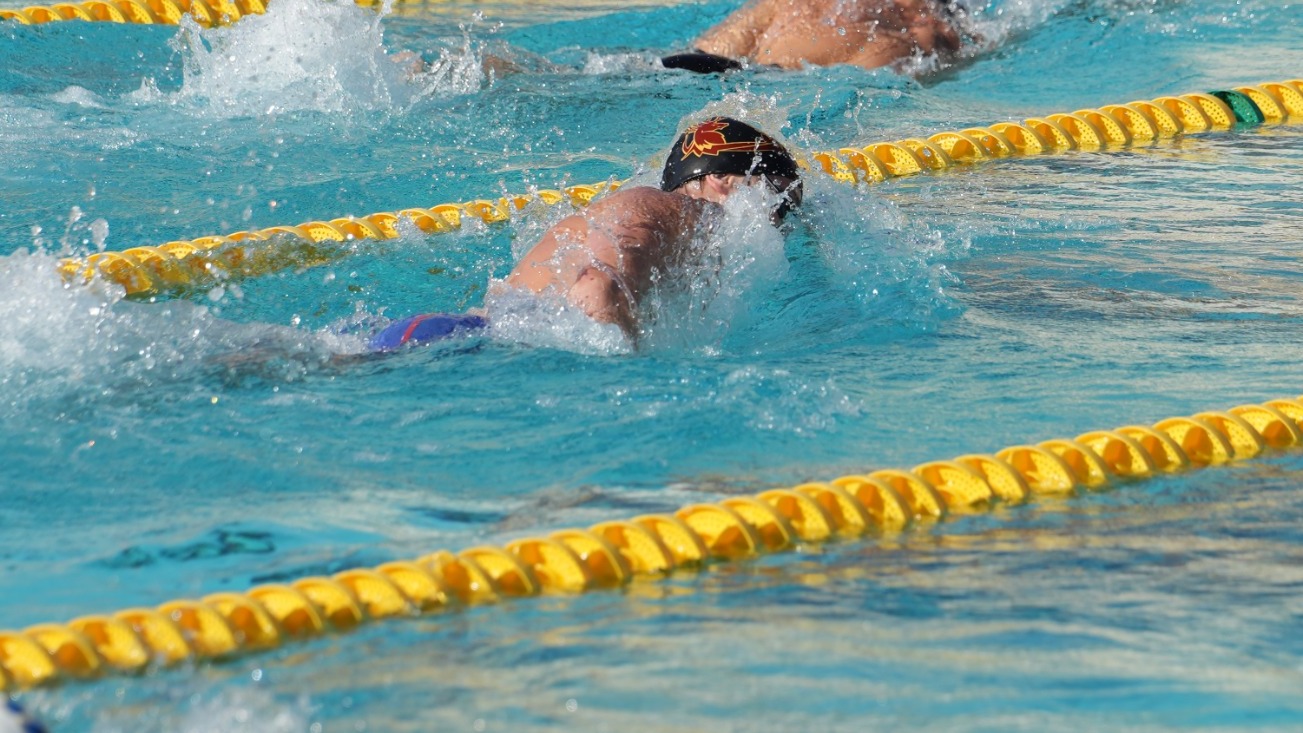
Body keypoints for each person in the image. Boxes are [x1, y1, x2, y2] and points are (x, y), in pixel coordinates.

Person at [368, 117, 802, 350]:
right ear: (722, 181)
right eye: (774, 195)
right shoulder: (683, 212)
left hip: (455, 337)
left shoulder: (666, 216)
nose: (778, 218)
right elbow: (595, 288)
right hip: (460, 348)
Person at [663, 0, 966, 74]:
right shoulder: (920, 23)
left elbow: (705, 51)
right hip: (794, 85)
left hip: (699, 63)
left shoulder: (785, 4)